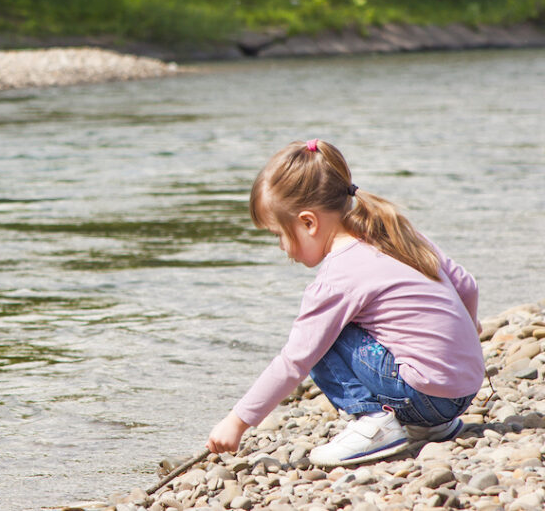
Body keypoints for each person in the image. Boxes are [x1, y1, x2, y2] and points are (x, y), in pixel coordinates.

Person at [206, 139, 484, 466]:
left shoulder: (338, 275)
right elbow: (466, 284)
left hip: (423, 396)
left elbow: (295, 360)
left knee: (320, 337)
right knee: (345, 326)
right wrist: (463, 335)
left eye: (278, 234)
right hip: (465, 387)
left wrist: (237, 421)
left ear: (309, 222)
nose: (281, 246)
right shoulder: (394, 231)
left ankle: (375, 423)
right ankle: (431, 427)